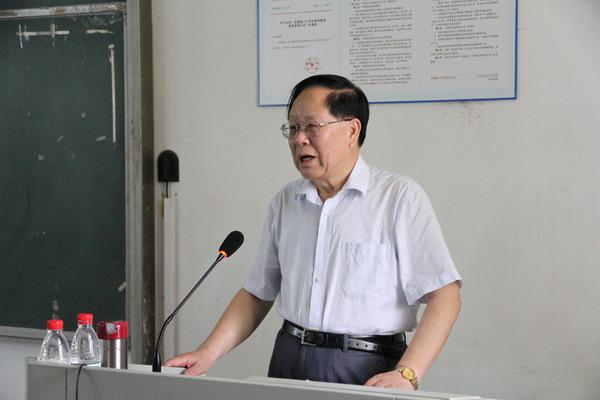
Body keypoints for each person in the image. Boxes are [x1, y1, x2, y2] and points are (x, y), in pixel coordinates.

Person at [166, 74, 462, 390]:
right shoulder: (286, 202)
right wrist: (208, 352)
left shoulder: (399, 198)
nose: (300, 139)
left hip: (367, 365)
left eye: (312, 127)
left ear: (352, 130)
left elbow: (445, 295)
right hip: (289, 356)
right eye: (293, 128)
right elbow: (257, 293)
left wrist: (407, 373)